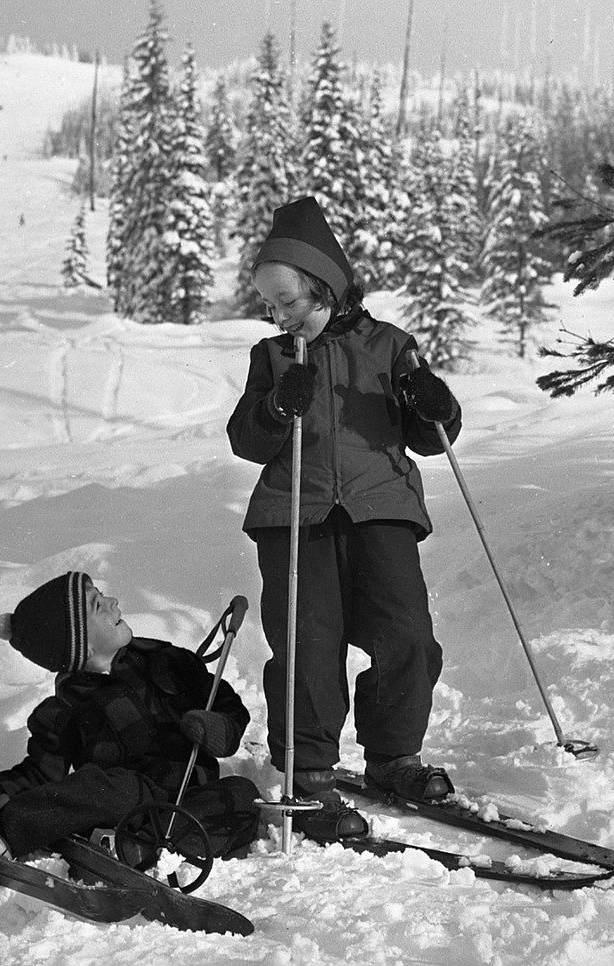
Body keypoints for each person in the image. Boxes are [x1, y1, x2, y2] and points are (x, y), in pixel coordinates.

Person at [226, 196, 463, 843]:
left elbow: (430, 433)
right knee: (307, 644)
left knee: (407, 635)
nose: (277, 315)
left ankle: (394, 759)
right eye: (270, 305)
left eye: (287, 301)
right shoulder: (273, 358)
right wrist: (278, 407)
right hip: (294, 517)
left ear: (324, 286)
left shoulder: (390, 348)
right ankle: (307, 778)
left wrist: (435, 404)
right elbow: (247, 439)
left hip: (379, 506)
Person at [0, 572, 260, 862]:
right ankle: (5, 833)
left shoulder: (166, 660)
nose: (113, 601)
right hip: (121, 801)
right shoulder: (67, 708)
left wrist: (220, 730)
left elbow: (227, 704)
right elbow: (39, 773)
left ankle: (134, 849)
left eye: (103, 596)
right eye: (98, 605)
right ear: (80, 645)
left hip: (187, 798)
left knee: (242, 796)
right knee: (110, 789)